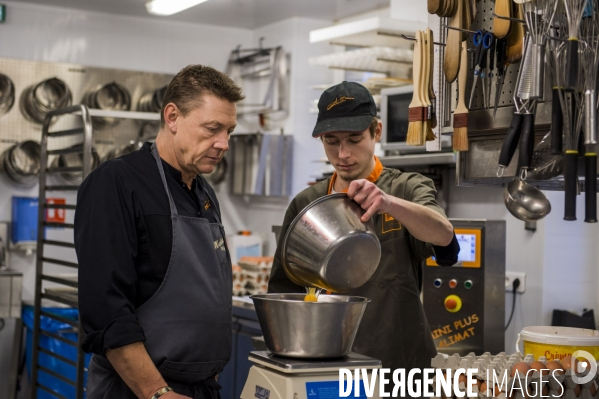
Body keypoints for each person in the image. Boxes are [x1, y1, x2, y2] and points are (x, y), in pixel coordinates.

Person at [75, 65, 243, 399]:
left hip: (201, 388)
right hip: (138, 389)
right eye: (212, 129)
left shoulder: (204, 192)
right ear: (172, 116)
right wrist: (157, 392)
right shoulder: (117, 183)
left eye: (229, 131)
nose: (223, 143)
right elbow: (106, 311)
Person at [268, 81, 460, 373]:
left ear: (376, 132)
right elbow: (285, 293)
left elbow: (446, 240)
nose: (342, 154)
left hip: (398, 367)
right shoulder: (307, 203)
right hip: (326, 364)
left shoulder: (405, 188)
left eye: (354, 139)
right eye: (331, 141)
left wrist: (388, 203)